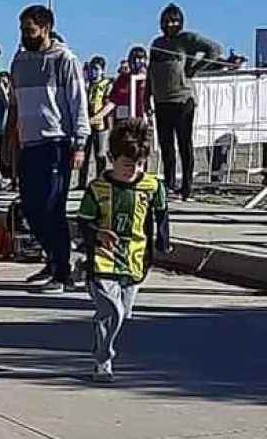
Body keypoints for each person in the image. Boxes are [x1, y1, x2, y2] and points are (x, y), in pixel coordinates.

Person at [76, 118, 171, 382]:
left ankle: (102, 339)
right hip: (103, 260)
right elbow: (83, 222)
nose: (134, 170)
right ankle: (103, 359)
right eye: (127, 165)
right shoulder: (97, 189)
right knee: (112, 310)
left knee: (123, 313)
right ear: (111, 158)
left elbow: (161, 214)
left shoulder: (153, 187)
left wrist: (163, 241)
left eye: (139, 165)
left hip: (135, 259)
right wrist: (97, 234)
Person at [11, 5, 89, 294]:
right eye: (21, 30)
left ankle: (63, 272)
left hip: (56, 142)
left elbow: (77, 101)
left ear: (45, 28)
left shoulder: (64, 59)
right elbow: (15, 105)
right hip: (28, 143)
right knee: (30, 209)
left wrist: (80, 143)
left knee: (52, 207)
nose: (24, 35)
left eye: (29, 30)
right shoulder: (18, 61)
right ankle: (52, 259)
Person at [147, 3, 223, 202]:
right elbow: (150, 72)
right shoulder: (157, 43)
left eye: (174, 21)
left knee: (184, 143)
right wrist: (146, 96)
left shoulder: (187, 39)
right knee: (165, 145)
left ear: (180, 22)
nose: (170, 24)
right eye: (166, 21)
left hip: (183, 99)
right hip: (161, 101)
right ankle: (169, 183)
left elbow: (214, 50)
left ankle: (187, 186)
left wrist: (194, 68)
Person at [77, 56, 114, 189]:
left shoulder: (107, 85)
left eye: (97, 69)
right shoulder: (88, 85)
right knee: (85, 153)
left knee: (100, 154)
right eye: (92, 69)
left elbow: (109, 102)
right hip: (87, 123)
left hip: (101, 124)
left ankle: (101, 181)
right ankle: (82, 183)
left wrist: (99, 116)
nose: (94, 72)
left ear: (103, 70)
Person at [103, 47, 150, 124]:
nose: (136, 62)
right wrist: (100, 115)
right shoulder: (122, 79)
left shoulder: (150, 79)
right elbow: (113, 100)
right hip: (124, 121)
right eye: (134, 59)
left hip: (144, 121)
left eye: (140, 59)